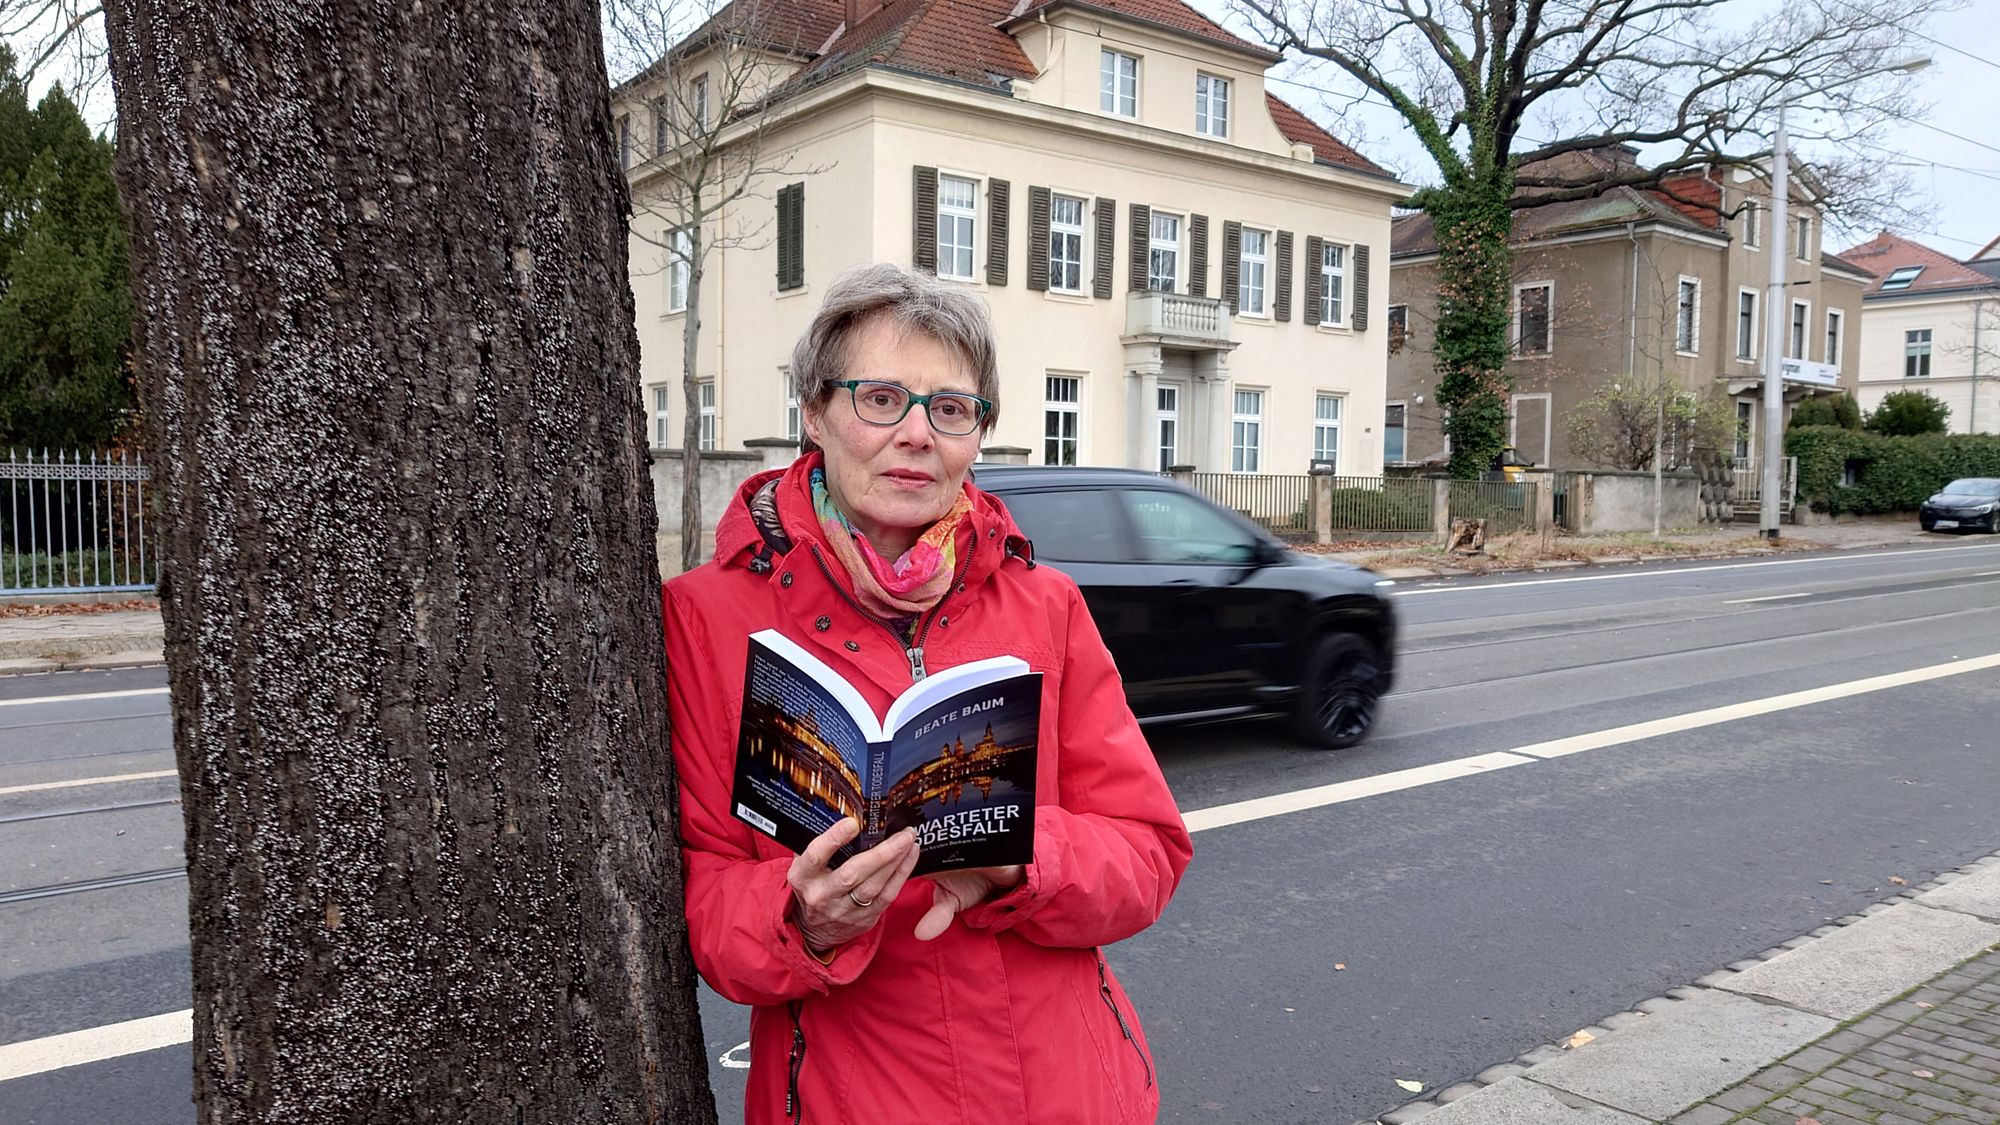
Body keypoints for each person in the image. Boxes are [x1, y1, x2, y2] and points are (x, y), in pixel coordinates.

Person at [663, 262, 1193, 1123]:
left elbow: (1148, 853)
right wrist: (804, 916)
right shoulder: (706, 616)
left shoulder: (1046, 605)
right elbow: (700, 900)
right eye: (880, 398)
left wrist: (1023, 858)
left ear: (977, 433)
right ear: (815, 411)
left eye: (950, 409)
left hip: (1070, 1088)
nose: (917, 434)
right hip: (849, 1093)